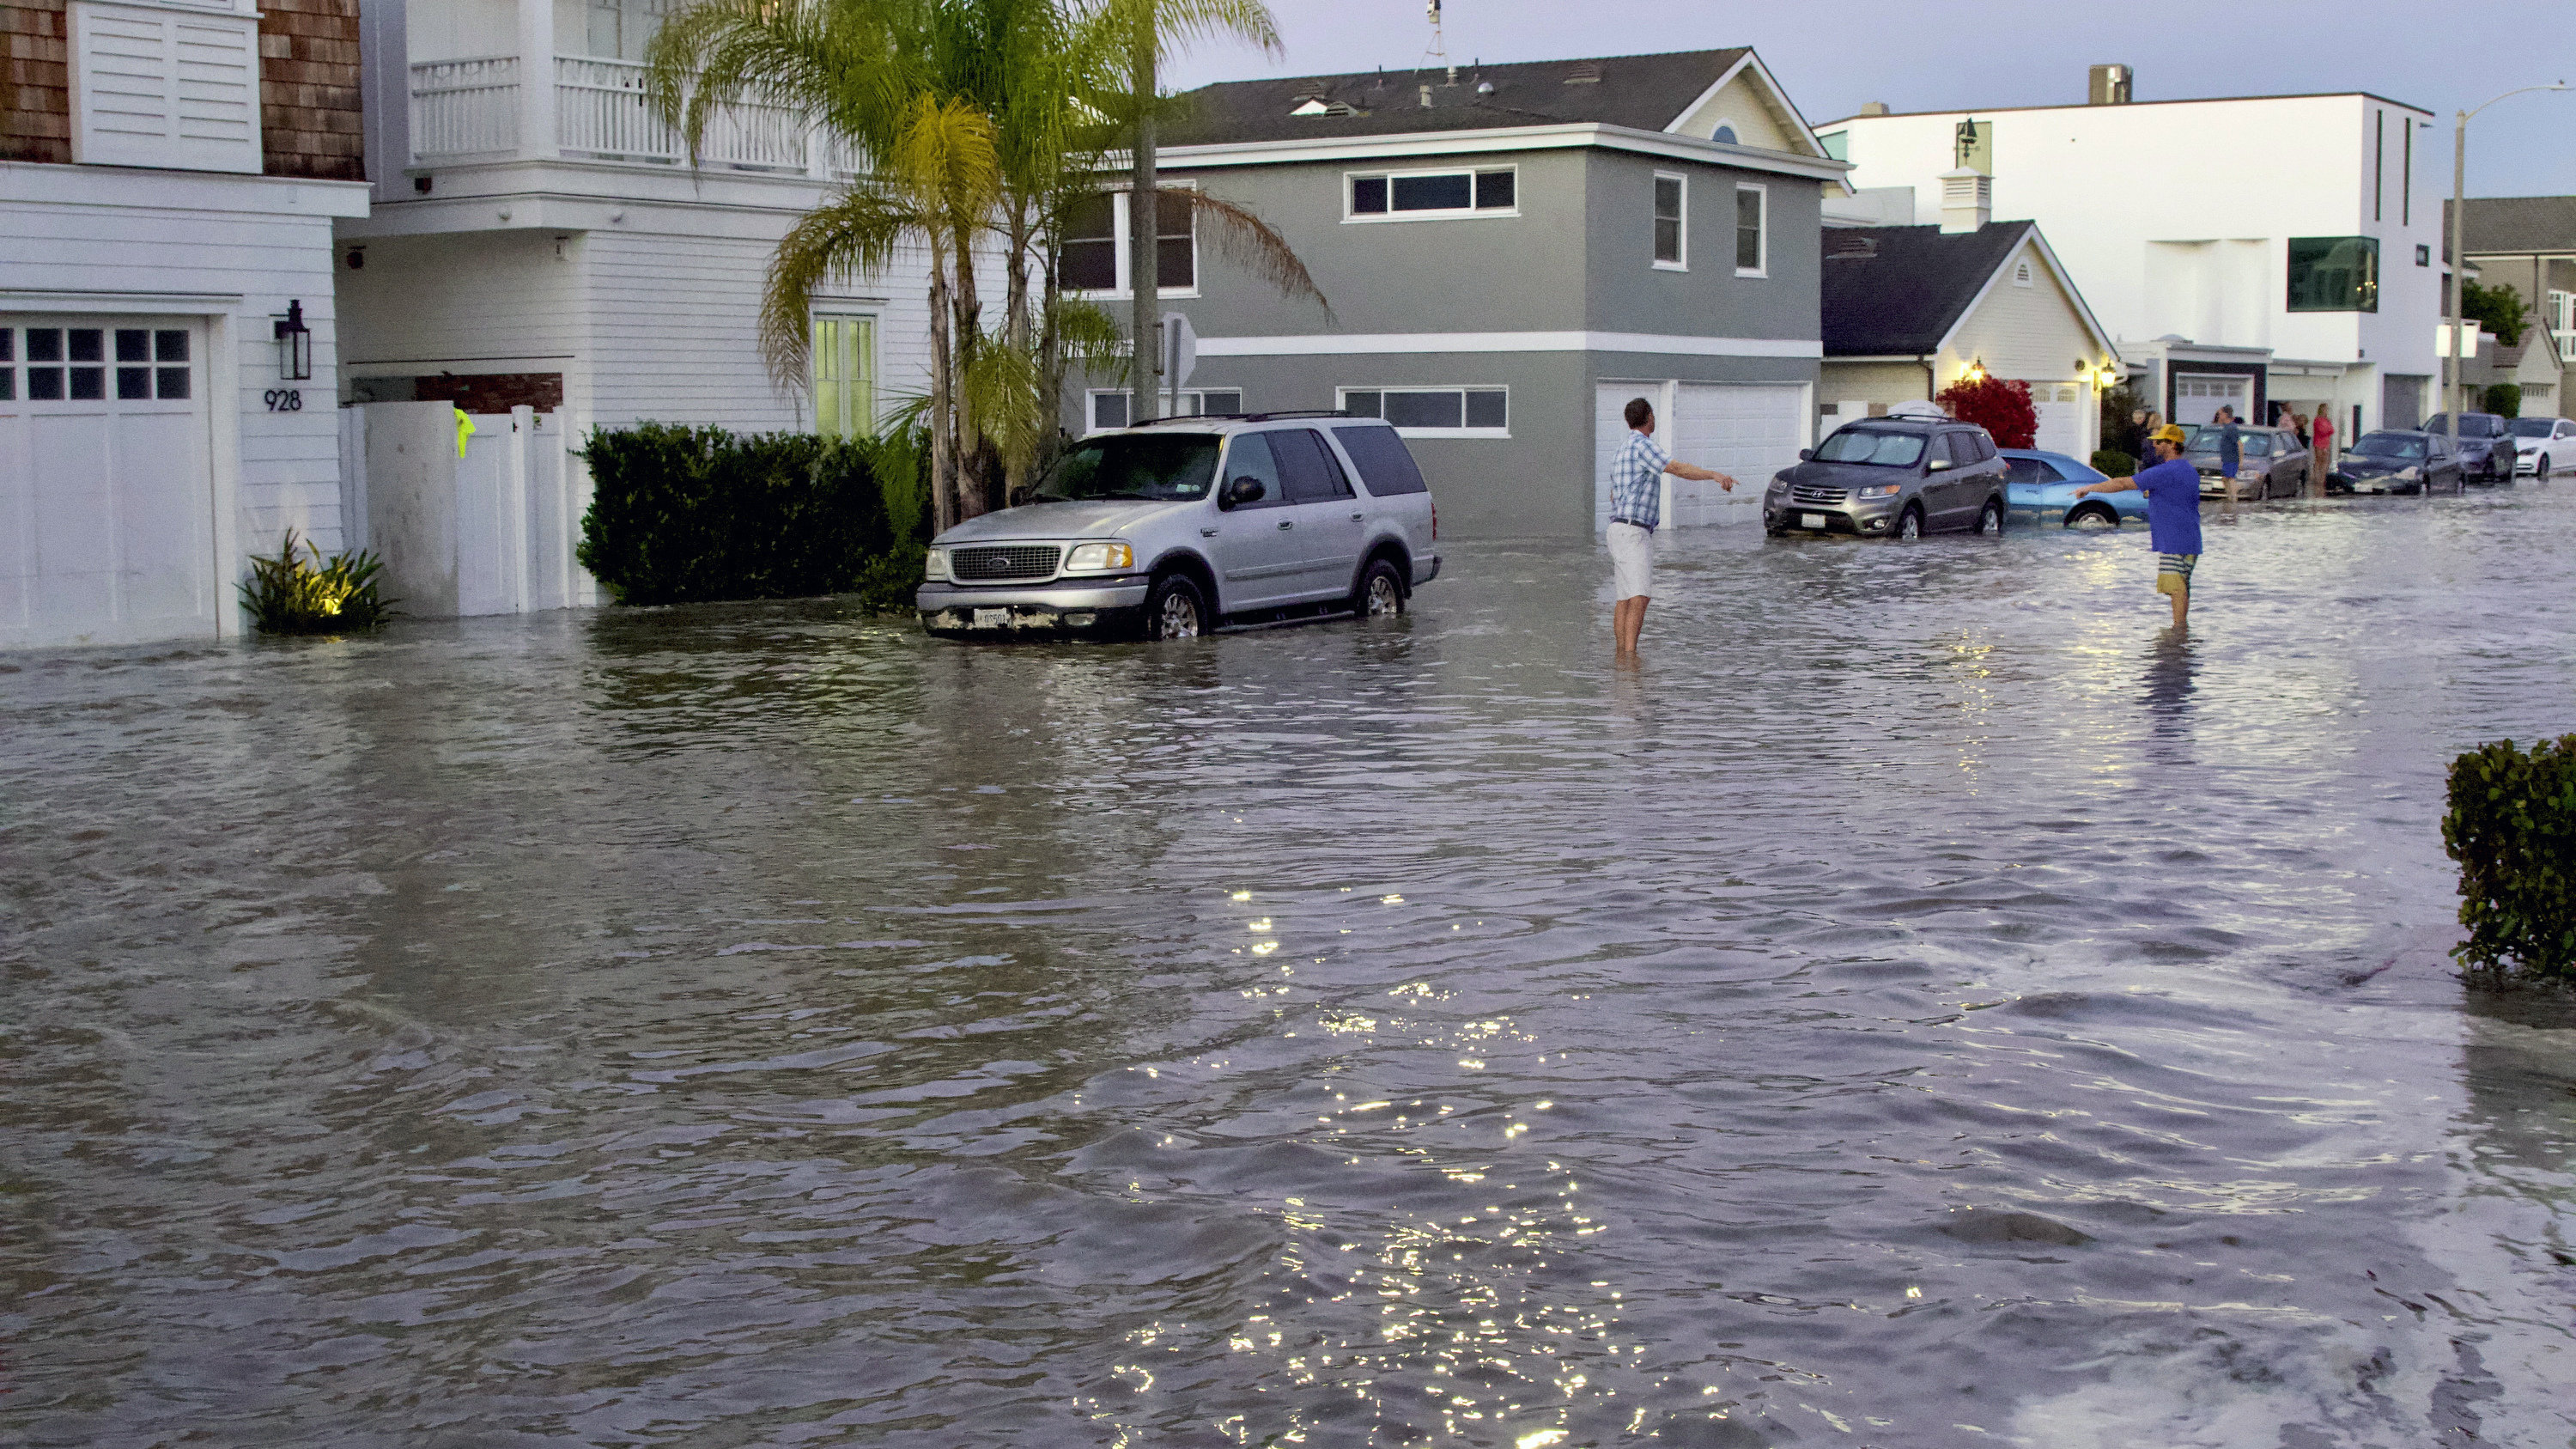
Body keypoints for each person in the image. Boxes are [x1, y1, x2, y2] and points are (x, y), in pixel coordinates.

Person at [1607, 397, 1735, 654]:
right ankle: (1631, 658)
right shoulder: (1643, 446)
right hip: (1634, 531)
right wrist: (1713, 475)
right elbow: (1676, 468)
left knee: (1624, 598)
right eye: (1653, 415)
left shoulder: (1621, 450)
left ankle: (1622, 656)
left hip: (1617, 529)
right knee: (1640, 597)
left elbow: (1613, 495)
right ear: (1649, 416)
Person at [2071, 423, 2202, 630]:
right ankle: (2181, 633)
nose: (2155, 445)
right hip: (2191, 538)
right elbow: (2180, 495)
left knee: (2175, 587)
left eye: (2159, 442)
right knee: (2182, 584)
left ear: (2171, 444)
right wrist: (2153, 493)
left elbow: (2123, 483)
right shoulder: (2189, 470)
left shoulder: (2165, 471)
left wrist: (2089, 488)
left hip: (2173, 539)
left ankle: (2179, 632)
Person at [2211, 405, 2243, 520]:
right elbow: (2217, 422)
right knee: (2225, 479)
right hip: (2226, 459)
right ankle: (2232, 495)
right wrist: (2218, 418)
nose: (2219, 415)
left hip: (2232, 459)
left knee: (2230, 478)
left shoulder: (2232, 428)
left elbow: (2240, 444)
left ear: (2225, 415)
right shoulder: (2226, 426)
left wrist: (2240, 461)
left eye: (2220, 413)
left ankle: (2234, 499)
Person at [2310, 403, 2336, 497]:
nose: (2326, 411)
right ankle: (2316, 477)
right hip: (2318, 442)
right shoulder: (2317, 420)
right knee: (2318, 460)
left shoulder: (2327, 420)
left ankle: (2322, 478)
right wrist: (2327, 430)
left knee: (2325, 461)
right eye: (2324, 409)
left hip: (2326, 443)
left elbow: (2332, 430)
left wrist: (2327, 430)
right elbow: (2321, 430)